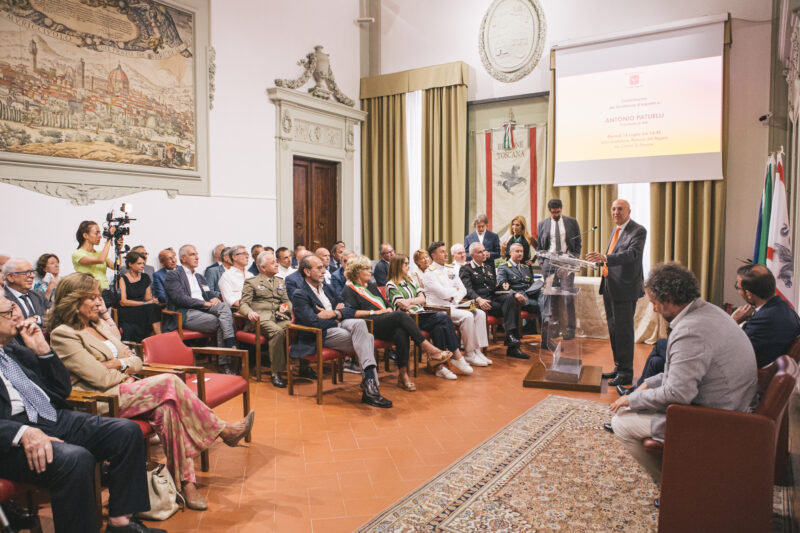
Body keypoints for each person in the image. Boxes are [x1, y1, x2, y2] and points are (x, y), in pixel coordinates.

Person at [48, 273, 255, 511]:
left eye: (98, 297)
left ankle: (186, 483)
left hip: (127, 389)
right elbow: (99, 378)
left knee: (168, 409)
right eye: (92, 298)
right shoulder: (63, 334)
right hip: (101, 400)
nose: (99, 302)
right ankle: (222, 430)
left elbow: (136, 359)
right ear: (74, 301)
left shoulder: (98, 325)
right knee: (169, 382)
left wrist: (116, 364)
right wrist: (123, 365)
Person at [0, 294, 161, 533]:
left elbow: (62, 390)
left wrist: (43, 351)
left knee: (126, 431)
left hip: (50, 416)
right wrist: (22, 432)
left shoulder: (16, 349)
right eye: (8, 312)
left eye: (14, 308)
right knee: (75, 459)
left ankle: (121, 523)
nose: (18, 315)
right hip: (11, 436)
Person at [609, 263, 757, 484]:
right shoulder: (709, 311)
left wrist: (631, 399)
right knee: (638, 404)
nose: (654, 310)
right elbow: (684, 372)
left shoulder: (689, 331)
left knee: (621, 422)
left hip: (717, 419)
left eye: (654, 303)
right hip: (734, 404)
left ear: (668, 299)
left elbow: (678, 394)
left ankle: (673, 487)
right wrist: (648, 384)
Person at [290, 255, 392, 408]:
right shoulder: (300, 294)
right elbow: (313, 322)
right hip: (322, 334)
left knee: (360, 324)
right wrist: (337, 316)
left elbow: (350, 308)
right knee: (368, 338)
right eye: (319, 268)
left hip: (339, 324)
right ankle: (371, 387)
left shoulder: (326, 288)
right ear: (307, 271)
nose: (324, 271)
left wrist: (334, 313)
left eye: (324, 267)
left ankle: (370, 386)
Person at [341, 256, 452, 391]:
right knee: (400, 315)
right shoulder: (349, 289)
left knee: (401, 330)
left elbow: (385, 303)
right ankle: (429, 349)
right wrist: (376, 312)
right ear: (357, 271)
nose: (371, 271)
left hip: (384, 319)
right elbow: (351, 312)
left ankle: (403, 375)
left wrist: (387, 309)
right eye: (367, 268)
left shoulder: (372, 286)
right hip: (369, 323)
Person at [586, 199, 647, 387]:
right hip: (610, 286)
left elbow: (632, 255)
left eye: (620, 209)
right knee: (614, 331)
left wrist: (605, 257)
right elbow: (612, 256)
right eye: (613, 209)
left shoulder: (638, 230)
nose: (615, 212)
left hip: (625, 289)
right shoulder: (616, 230)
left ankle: (626, 373)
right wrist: (599, 261)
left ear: (629, 211)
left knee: (624, 332)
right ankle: (618, 367)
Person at [386, 254, 467, 380]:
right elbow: (401, 304)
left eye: (408, 263)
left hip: (421, 314)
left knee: (439, 328)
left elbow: (423, 299)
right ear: (397, 266)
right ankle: (456, 354)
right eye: (405, 264)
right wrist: (413, 301)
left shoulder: (410, 280)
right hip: (409, 319)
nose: (408, 266)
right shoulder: (391, 284)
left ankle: (439, 367)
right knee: (443, 317)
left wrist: (410, 301)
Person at [164, 245, 237, 374]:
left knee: (224, 307)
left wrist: (214, 298)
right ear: (183, 258)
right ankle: (226, 361)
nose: (197, 257)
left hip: (204, 309)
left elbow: (208, 293)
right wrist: (203, 303)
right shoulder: (173, 275)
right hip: (186, 312)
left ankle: (230, 344)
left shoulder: (199, 277)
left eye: (197, 254)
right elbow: (179, 298)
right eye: (192, 254)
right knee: (222, 322)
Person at [424, 241, 489, 370]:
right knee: (467, 316)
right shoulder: (429, 273)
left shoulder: (450, 269)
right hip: (439, 308)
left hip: (453, 304)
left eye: (445, 251)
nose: (445, 254)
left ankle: (478, 351)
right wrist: (454, 291)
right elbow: (442, 293)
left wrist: (453, 298)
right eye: (442, 252)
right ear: (433, 255)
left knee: (480, 314)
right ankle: (469, 353)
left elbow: (463, 289)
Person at [461, 242, 525, 358]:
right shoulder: (466, 269)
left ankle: (511, 339)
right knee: (510, 307)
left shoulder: (488, 268)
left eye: (484, 251)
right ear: (472, 255)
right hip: (481, 303)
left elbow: (493, 288)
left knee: (510, 298)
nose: (484, 254)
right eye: (480, 252)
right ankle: (513, 345)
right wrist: (479, 299)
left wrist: (505, 290)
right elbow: (467, 289)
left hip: (493, 299)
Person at [239, 251, 292, 389]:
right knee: (277, 332)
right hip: (261, 318)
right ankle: (276, 372)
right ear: (262, 267)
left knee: (299, 327)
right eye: (273, 262)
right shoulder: (252, 282)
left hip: (279, 316)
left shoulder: (280, 281)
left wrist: (283, 309)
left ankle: (302, 366)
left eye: (276, 262)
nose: (277, 264)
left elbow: (286, 301)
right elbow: (243, 304)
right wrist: (249, 312)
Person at [733, 264, 800, 368]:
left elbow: (731, 351)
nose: (738, 290)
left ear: (749, 294)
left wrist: (733, 321)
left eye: (738, 287)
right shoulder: (785, 308)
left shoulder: (763, 319)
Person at [537, 199, 582, 340]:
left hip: (566, 262)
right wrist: (542, 262)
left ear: (561, 209)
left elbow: (578, 243)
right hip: (549, 264)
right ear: (549, 211)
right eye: (553, 212)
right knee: (551, 297)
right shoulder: (542, 224)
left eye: (558, 212)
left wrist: (574, 258)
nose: (556, 214)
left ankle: (570, 328)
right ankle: (554, 327)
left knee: (567, 296)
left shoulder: (572, 222)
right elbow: (540, 246)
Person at [496, 243, 541, 344]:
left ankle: (546, 334)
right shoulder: (503, 267)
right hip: (518, 299)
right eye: (517, 251)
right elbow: (503, 286)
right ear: (510, 252)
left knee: (544, 298)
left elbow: (531, 284)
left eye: (521, 251)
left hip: (530, 296)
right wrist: (514, 294)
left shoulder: (525, 268)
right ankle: (546, 335)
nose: (520, 253)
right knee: (543, 306)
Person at [117, 251, 162, 342]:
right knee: (151, 308)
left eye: (143, 263)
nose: (142, 266)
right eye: (139, 263)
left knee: (154, 307)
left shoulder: (145, 277)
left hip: (143, 308)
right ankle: (160, 339)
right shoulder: (122, 279)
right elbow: (123, 302)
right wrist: (145, 303)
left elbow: (147, 298)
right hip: (128, 310)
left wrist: (152, 300)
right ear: (130, 264)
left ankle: (157, 339)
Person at [3, 258, 50, 327]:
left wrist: (36, 318)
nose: (32, 276)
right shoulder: (2, 299)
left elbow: (52, 317)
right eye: (26, 272)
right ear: (10, 277)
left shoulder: (38, 295)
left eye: (32, 272)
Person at [72, 220, 116, 290]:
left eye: (100, 233)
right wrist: (109, 239)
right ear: (85, 235)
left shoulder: (100, 253)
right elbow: (100, 260)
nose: (100, 236)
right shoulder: (77, 254)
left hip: (105, 290)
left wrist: (118, 248)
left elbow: (116, 267)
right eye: (96, 233)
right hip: (88, 291)